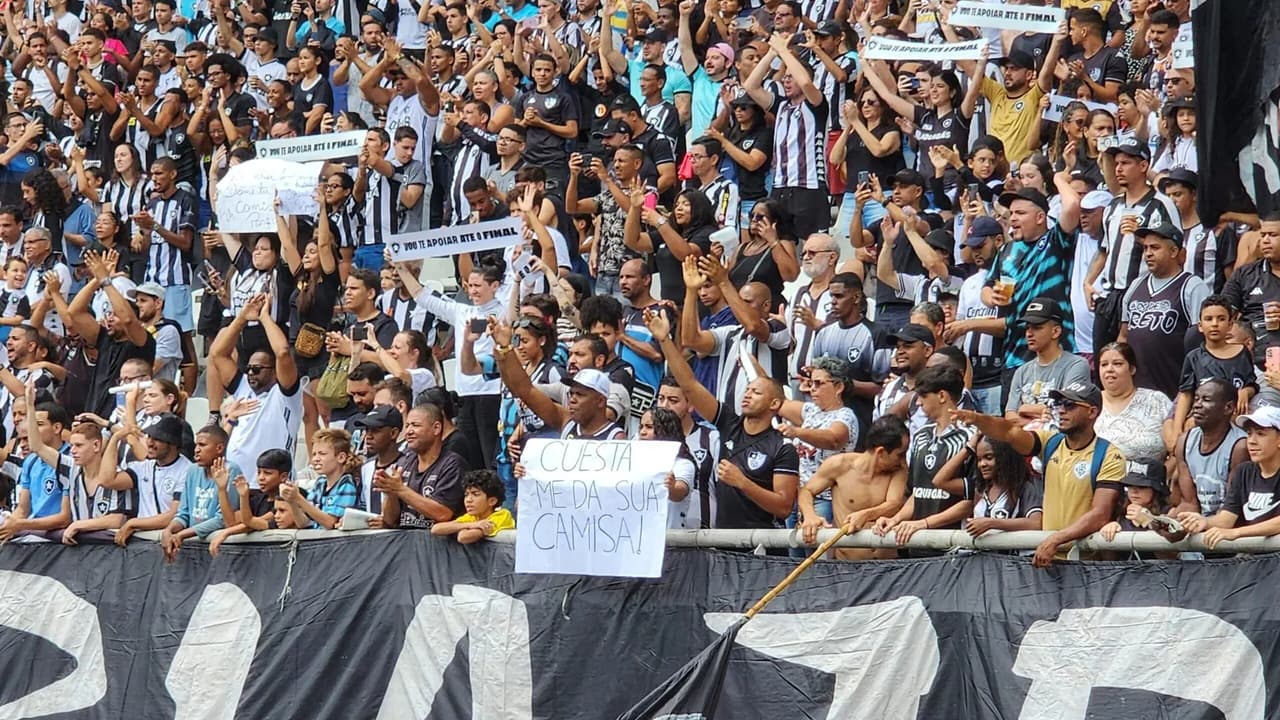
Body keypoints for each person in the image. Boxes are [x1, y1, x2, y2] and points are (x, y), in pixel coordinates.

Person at [647, 306, 799, 534]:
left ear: (775, 404)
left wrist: (743, 483)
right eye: (747, 389)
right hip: (724, 543)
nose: (747, 395)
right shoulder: (730, 423)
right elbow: (690, 384)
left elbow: (784, 507)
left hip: (763, 548)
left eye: (756, 392)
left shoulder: (782, 446)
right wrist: (665, 340)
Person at [957, 381, 1125, 567]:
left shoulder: (1109, 454)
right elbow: (1010, 432)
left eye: (1069, 405)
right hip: (1047, 557)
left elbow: (1100, 514)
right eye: (1058, 404)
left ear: (1092, 412)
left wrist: (1055, 539)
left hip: (1086, 561)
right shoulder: (1050, 443)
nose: (1061, 411)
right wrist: (979, 419)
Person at [873, 364, 976, 550]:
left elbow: (972, 500)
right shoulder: (920, 436)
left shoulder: (972, 437)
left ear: (942, 396)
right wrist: (895, 519)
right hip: (918, 543)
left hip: (954, 548)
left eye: (923, 396)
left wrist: (925, 523)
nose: (918, 402)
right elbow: (918, 492)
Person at [208, 293, 302, 482]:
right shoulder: (243, 387)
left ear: (274, 372)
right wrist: (242, 318)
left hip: (272, 485)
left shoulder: (285, 395)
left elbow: (283, 353)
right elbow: (218, 354)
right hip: (236, 483)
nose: (250, 373)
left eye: (257, 369)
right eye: (249, 368)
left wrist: (264, 318)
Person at [798, 415, 910, 560]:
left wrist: (865, 515)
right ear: (880, 452)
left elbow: (894, 504)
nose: (903, 462)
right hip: (848, 566)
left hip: (887, 564)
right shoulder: (839, 465)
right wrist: (809, 515)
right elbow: (806, 490)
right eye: (900, 455)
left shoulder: (898, 471)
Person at [1119, 221, 1209, 398]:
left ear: (1174, 251)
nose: (1148, 254)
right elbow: (1123, 336)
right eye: (1145, 248)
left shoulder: (1192, 286)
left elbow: (1203, 342)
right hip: (1137, 390)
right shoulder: (1136, 286)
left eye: (1155, 248)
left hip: (1174, 388)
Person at [1179, 407, 1280, 548]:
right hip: (1254, 560)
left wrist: (1236, 533)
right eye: (1249, 434)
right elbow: (1227, 519)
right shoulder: (1244, 471)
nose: (1251, 441)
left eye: (1261, 434)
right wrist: (1204, 522)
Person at [930, 433, 1043, 537]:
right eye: (979, 459)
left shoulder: (1025, 486)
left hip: (1009, 557)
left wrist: (991, 523)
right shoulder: (980, 487)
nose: (982, 464)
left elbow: (1036, 523)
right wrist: (968, 449)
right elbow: (939, 481)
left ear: (1004, 457)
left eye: (989, 458)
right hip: (979, 556)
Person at [1004, 297, 1092, 427]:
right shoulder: (1021, 371)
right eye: (1027, 328)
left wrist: (1024, 409)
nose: (1029, 333)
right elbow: (1010, 417)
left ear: (1055, 331)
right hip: (1025, 441)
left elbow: (1066, 411)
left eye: (1037, 327)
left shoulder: (1076, 365)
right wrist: (1038, 415)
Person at [111, 412, 195, 545]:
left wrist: (133, 523)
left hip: (169, 542)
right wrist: (115, 439)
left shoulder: (188, 471)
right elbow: (108, 480)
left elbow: (173, 516)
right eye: (149, 436)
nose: (149, 443)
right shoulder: (145, 466)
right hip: (141, 540)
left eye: (157, 439)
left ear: (173, 443)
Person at [379, 402, 467, 528]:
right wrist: (391, 493)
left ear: (436, 428)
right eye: (407, 426)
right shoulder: (403, 463)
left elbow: (443, 514)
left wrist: (400, 489)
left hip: (440, 544)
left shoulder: (452, 464)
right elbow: (390, 520)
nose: (408, 431)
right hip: (407, 542)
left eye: (415, 425)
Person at [160, 427, 238, 560]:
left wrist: (182, 535)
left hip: (219, 550)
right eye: (196, 445)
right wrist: (169, 530)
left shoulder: (231, 470)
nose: (196, 450)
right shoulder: (192, 471)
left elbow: (222, 520)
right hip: (192, 549)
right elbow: (183, 514)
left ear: (219, 448)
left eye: (202, 445)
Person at [1174, 379, 1249, 517]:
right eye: (1196, 399)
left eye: (1206, 400)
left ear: (1229, 407)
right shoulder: (1184, 441)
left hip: (1229, 524)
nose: (1197, 405)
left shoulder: (1240, 447)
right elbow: (1189, 503)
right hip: (1200, 522)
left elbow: (1232, 508)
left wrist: (1203, 525)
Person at [1094, 342, 1173, 464]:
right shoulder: (1088, 403)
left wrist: (1165, 475)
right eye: (1104, 364)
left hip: (1152, 479)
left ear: (1132, 369)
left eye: (1117, 364)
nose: (1109, 369)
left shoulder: (1157, 400)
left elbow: (1178, 449)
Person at [283, 428, 360, 529]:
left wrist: (298, 498)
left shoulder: (345, 484)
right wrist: (292, 501)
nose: (315, 459)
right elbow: (304, 523)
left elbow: (330, 523)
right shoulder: (320, 483)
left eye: (322, 454)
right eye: (314, 454)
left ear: (341, 457)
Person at [637, 406, 699, 530]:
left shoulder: (682, 464)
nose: (642, 432)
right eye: (641, 426)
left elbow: (679, 493)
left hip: (670, 544)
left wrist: (672, 486)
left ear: (666, 430)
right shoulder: (634, 462)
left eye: (649, 427)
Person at [430, 469, 515, 543]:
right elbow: (435, 529)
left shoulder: (502, 515)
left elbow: (463, 537)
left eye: (476, 494)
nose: (468, 500)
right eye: (466, 494)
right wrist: (472, 525)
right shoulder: (472, 517)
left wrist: (465, 526)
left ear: (492, 501)